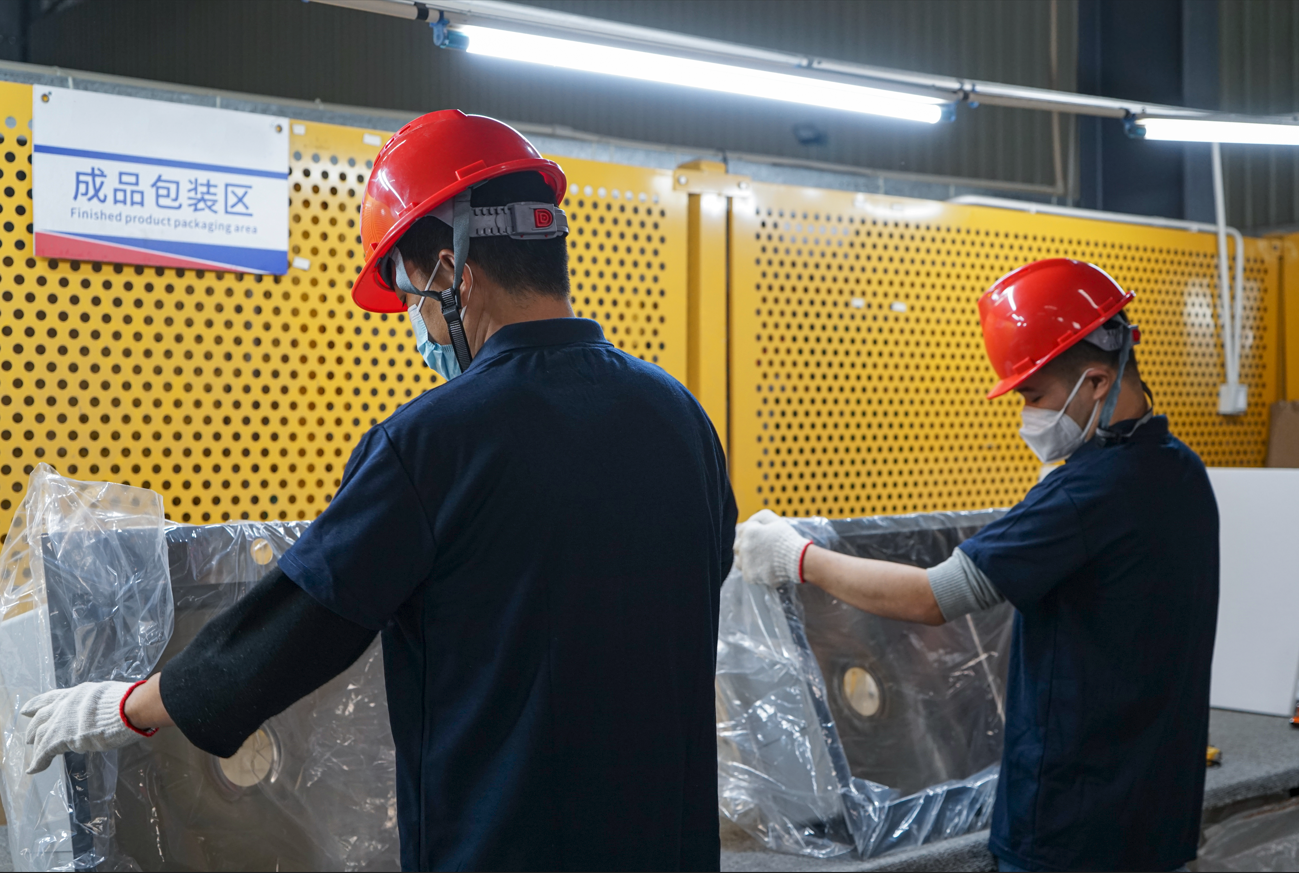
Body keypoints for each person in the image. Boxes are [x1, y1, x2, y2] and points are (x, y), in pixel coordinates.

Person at [20, 110, 737, 872]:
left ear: (453, 274)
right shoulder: (679, 418)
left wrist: (120, 708)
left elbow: (283, 638)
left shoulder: (432, 441)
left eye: (411, 300)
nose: (418, 328)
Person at [734, 258, 1218, 873]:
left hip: (1075, 829)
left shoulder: (1088, 494)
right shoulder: (1181, 471)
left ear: (1097, 380)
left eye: (1035, 396)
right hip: (1156, 813)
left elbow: (933, 597)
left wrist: (796, 557)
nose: (1029, 417)